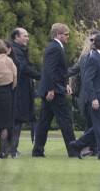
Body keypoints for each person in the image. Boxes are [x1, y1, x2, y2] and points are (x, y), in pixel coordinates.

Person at [32, 23, 78, 157]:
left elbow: (58, 71)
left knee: (44, 122)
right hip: (55, 92)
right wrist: (51, 89)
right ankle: (73, 151)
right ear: (58, 34)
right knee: (65, 121)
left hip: (56, 89)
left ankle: (37, 151)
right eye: (66, 34)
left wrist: (65, 85)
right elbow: (48, 70)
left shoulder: (56, 47)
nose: (68, 37)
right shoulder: (55, 48)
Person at [68, 31, 100, 158]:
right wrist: (93, 99)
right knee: (99, 127)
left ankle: (77, 145)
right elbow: (88, 80)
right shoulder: (93, 58)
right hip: (97, 99)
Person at [10, 28, 41, 156]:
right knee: (17, 121)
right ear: (16, 37)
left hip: (21, 89)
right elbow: (23, 68)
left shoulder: (18, 50)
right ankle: (11, 149)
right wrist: (41, 76)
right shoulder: (16, 51)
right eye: (25, 36)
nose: (27, 38)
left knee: (17, 121)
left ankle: (12, 149)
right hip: (19, 91)